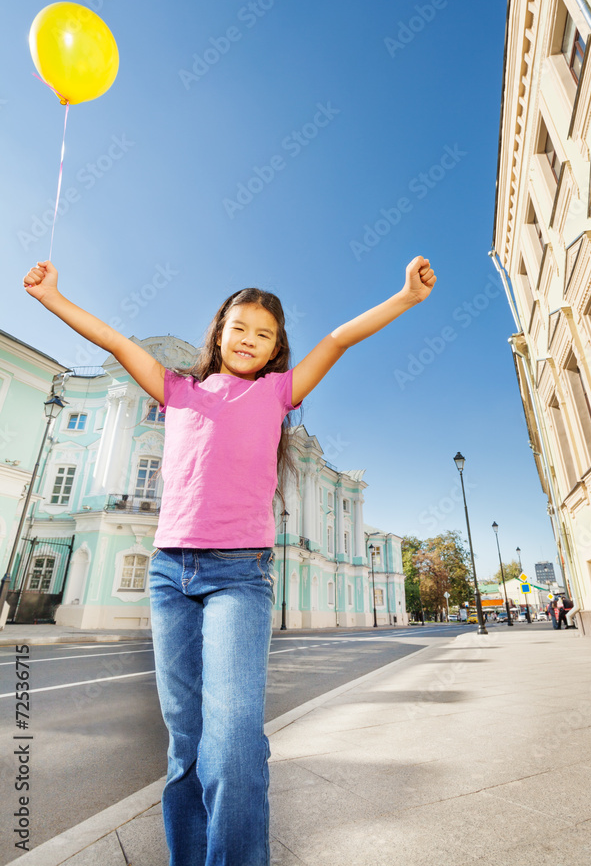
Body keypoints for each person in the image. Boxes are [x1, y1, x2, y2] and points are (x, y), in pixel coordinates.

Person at [23, 254, 436, 866]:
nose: (249, 339)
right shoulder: (175, 389)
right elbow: (111, 337)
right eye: (239, 327)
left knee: (234, 738)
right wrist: (53, 298)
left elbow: (339, 339)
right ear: (218, 332)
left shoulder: (278, 393)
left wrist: (404, 297)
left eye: (264, 334)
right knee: (185, 740)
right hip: (170, 574)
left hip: (239, 576)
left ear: (275, 350)